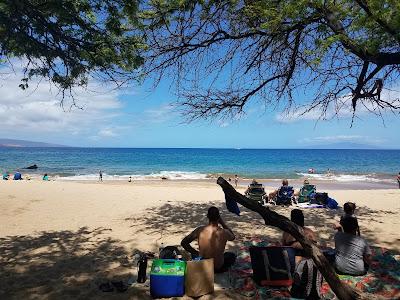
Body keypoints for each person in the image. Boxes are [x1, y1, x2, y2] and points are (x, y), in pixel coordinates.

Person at [181, 206, 236, 273]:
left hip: (204, 266)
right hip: (217, 267)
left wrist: (196, 253)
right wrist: (223, 223)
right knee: (231, 255)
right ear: (218, 217)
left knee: (195, 256)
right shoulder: (224, 232)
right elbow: (233, 237)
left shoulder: (200, 230)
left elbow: (184, 243)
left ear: (207, 216)